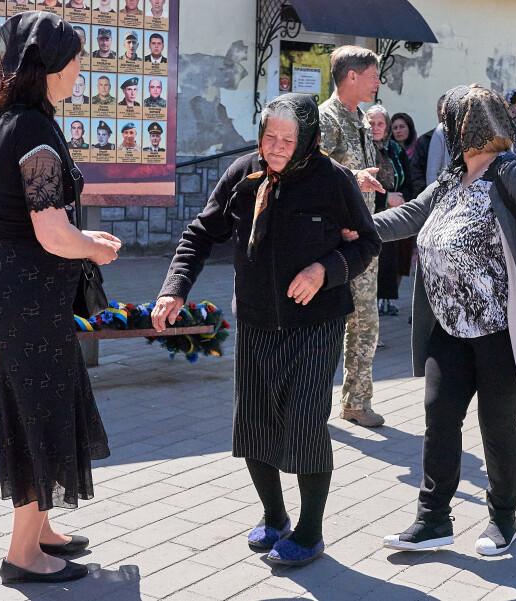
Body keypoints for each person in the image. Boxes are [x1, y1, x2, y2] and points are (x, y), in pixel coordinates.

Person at [152, 94, 381, 566]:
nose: (275, 147)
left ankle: (310, 531)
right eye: (268, 136)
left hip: (316, 323)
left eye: (287, 139)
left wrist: (325, 270)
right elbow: (201, 233)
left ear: (309, 140)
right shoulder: (243, 174)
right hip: (257, 321)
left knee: (304, 422)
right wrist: (174, 289)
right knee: (255, 423)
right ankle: (275, 516)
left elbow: (367, 244)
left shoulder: (333, 180)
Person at [373, 85, 516, 556]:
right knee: (439, 421)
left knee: (498, 427)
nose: (445, 130)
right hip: (449, 329)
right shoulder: (453, 177)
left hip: (500, 333)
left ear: (464, 125)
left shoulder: (511, 172)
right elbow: (409, 216)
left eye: (448, 121)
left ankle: (503, 519)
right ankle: (432, 520)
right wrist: (355, 228)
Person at [0, 12, 119, 585]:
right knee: (36, 415)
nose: (81, 70)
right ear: (52, 67)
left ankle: (41, 530)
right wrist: (94, 249)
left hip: (22, 287)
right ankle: (22, 555)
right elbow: (52, 234)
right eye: (77, 60)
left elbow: (35, 219)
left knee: (45, 406)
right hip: (29, 292)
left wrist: (81, 240)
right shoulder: (33, 129)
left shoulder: (11, 120)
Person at [319, 45, 386, 427]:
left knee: (365, 325)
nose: (378, 83)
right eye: (373, 76)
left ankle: (356, 402)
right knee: (326, 327)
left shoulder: (360, 118)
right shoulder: (325, 119)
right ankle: (311, 405)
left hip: (362, 240)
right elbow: (310, 176)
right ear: (352, 76)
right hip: (333, 244)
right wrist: (351, 179)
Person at [366, 104, 413, 317]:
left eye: (380, 123)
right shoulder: (361, 148)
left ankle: (383, 308)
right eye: (371, 123)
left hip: (392, 215)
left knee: (389, 264)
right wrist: (386, 198)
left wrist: (401, 200)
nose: (375, 128)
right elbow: (355, 185)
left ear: (387, 126)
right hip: (367, 214)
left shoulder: (395, 150)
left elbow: (408, 182)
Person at [410, 95, 446, 195]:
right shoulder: (425, 140)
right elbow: (416, 174)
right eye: (439, 109)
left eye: (445, 108)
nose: (442, 112)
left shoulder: (464, 139)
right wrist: (427, 197)